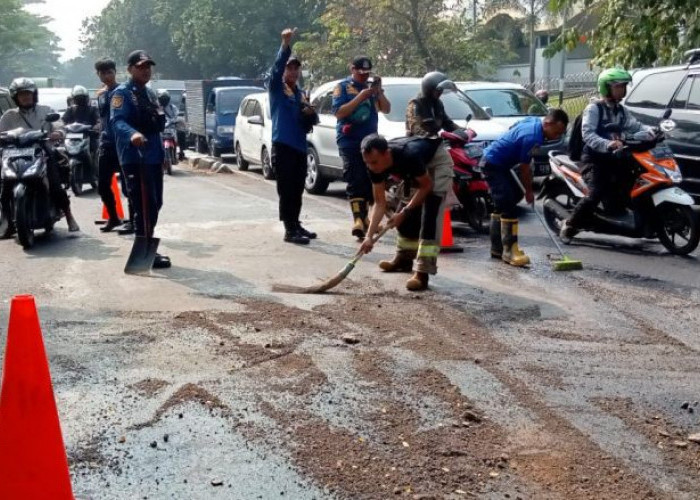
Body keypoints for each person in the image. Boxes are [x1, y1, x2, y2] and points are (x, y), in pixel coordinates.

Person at [560, 68, 654, 243]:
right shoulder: (594, 108)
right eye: (618, 87)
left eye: (624, 86)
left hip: (615, 157)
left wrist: (652, 132)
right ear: (606, 88)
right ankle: (570, 224)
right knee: (596, 192)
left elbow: (635, 126)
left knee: (636, 181)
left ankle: (629, 216)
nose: (622, 90)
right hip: (594, 159)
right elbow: (588, 134)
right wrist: (608, 144)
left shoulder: (621, 110)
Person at [482, 109, 569, 267]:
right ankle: (509, 251)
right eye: (556, 132)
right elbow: (525, 168)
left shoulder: (533, 120)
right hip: (493, 164)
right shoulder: (532, 137)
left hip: (502, 164)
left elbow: (514, 127)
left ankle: (498, 248)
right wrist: (529, 192)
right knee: (508, 205)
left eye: (560, 134)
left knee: (506, 201)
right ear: (548, 123)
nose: (556, 136)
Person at [360, 134, 443, 291]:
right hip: (415, 169)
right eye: (367, 163)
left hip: (435, 162)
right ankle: (404, 260)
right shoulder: (374, 164)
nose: (371, 167)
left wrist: (404, 212)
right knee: (403, 212)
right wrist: (368, 237)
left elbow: (426, 186)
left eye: (374, 162)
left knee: (428, 214)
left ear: (386, 153)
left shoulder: (409, 155)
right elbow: (379, 202)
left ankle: (422, 273)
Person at [110, 50, 170, 269]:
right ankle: (144, 250)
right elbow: (117, 121)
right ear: (130, 69)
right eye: (141, 66)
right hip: (134, 157)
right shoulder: (122, 94)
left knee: (155, 203)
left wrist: (163, 155)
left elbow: (156, 127)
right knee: (142, 204)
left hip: (153, 157)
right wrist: (132, 134)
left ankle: (147, 243)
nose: (146, 70)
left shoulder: (151, 94)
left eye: (148, 67)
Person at [0, 77, 80, 237]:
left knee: (55, 185)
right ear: (16, 97)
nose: (25, 97)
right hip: (14, 154)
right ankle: (6, 220)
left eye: (28, 94)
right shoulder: (8, 116)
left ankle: (69, 215)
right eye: (21, 94)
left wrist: (58, 133)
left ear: (34, 94)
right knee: (5, 188)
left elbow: (59, 126)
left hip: (41, 152)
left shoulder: (46, 110)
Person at [332, 56, 391, 239]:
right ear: (352, 69)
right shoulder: (342, 87)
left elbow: (386, 109)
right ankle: (358, 219)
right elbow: (339, 112)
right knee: (355, 177)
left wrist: (378, 92)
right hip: (349, 139)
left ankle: (365, 219)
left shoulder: (372, 88)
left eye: (367, 73)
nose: (364, 76)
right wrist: (360, 97)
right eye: (360, 72)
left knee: (369, 180)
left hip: (370, 140)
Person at [269, 27, 318, 245]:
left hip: (299, 145)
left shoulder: (300, 93)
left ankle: (296, 224)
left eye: (296, 69)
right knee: (287, 190)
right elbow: (276, 69)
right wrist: (285, 45)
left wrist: (309, 113)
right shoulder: (277, 89)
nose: (293, 73)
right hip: (284, 146)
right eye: (290, 69)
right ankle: (289, 230)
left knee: (298, 188)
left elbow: (309, 122)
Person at [95, 57, 133, 233]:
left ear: (115, 72)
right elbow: (102, 119)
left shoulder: (123, 91)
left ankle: (133, 220)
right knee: (103, 184)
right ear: (98, 75)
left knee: (128, 185)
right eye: (103, 73)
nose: (107, 75)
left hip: (123, 145)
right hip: (106, 144)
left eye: (109, 72)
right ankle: (113, 218)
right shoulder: (101, 95)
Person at [62, 85, 101, 183]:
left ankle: (97, 171)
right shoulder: (70, 109)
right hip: (72, 137)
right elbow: (62, 121)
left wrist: (96, 126)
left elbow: (99, 120)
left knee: (96, 151)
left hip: (89, 136)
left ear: (86, 98)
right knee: (62, 152)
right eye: (78, 98)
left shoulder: (92, 109)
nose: (80, 100)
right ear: (74, 99)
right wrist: (61, 128)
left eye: (82, 98)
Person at [157, 89, 182, 164]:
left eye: (165, 99)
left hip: (171, 128)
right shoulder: (157, 107)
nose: (164, 100)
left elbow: (176, 115)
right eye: (162, 98)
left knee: (181, 134)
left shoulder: (172, 107)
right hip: (161, 129)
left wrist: (177, 120)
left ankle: (181, 152)